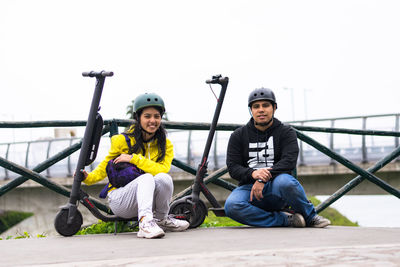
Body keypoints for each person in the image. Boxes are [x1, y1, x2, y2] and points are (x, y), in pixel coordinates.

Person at [82, 92, 189, 238]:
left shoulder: (166, 145)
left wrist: (133, 158)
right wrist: (88, 177)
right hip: (121, 200)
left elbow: (162, 169)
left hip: (148, 200)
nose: (152, 120)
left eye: (156, 116)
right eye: (147, 116)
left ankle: (161, 219)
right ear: (138, 118)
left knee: (164, 178)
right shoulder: (122, 141)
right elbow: (106, 165)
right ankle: (145, 224)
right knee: (146, 178)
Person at [224, 88, 330, 228]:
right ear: (251, 110)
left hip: (278, 185)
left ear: (274, 108)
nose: (261, 110)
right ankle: (287, 220)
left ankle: (310, 217)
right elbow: (233, 167)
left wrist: (262, 178)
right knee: (232, 206)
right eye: (256, 106)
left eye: (266, 105)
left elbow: (289, 161)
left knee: (286, 182)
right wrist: (253, 174)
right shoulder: (238, 135)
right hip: (249, 188)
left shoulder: (286, 132)